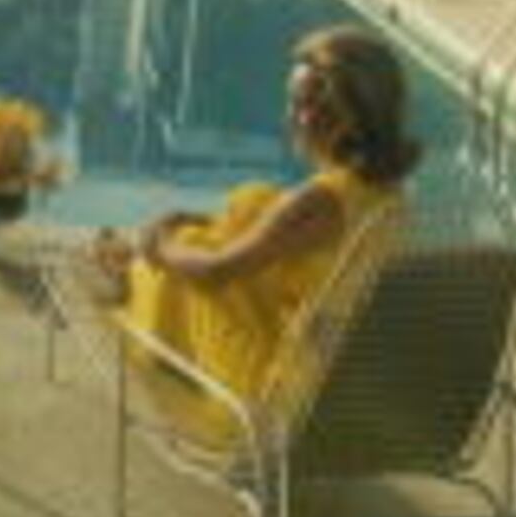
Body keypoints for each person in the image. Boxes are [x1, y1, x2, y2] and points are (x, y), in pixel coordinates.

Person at [90, 23, 421, 433]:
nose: (291, 117)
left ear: (349, 118)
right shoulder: (389, 194)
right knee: (256, 202)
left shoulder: (322, 201)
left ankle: (134, 276)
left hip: (274, 399)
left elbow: (215, 273)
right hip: (334, 382)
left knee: (189, 253)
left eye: (303, 105)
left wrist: (157, 246)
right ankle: (135, 268)